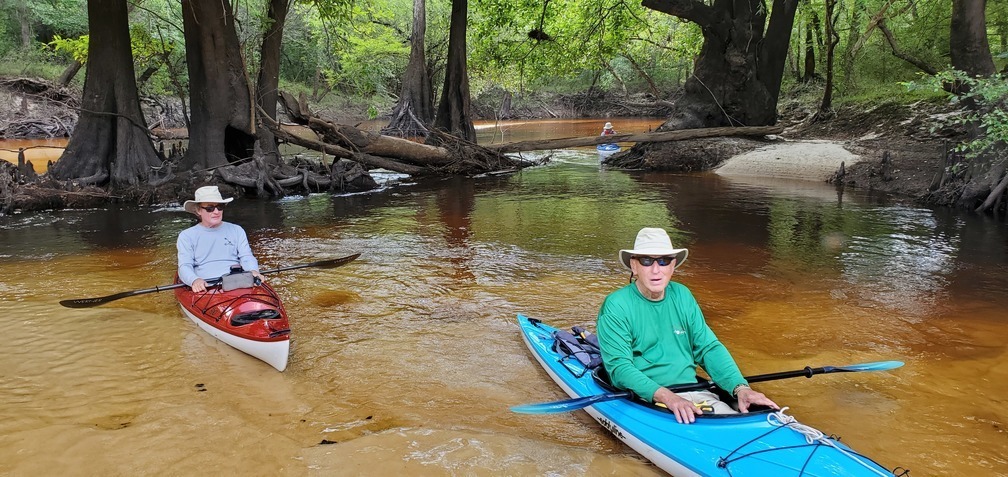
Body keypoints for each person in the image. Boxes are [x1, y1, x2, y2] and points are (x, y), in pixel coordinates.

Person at [596, 227, 779, 424]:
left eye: (663, 260)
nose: (656, 270)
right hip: (647, 398)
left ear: (673, 265)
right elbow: (619, 368)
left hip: (695, 393)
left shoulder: (683, 296)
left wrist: (740, 388)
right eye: (647, 261)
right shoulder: (616, 305)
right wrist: (668, 398)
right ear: (634, 266)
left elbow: (708, 348)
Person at [177, 185, 262, 293]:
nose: (216, 212)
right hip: (206, 288)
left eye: (219, 207)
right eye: (210, 208)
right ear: (198, 210)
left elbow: (246, 256)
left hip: (238, 283)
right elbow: (185, 265)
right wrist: (194, 280)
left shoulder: (237, 230)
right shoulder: (186, 236)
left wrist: (253, 270)